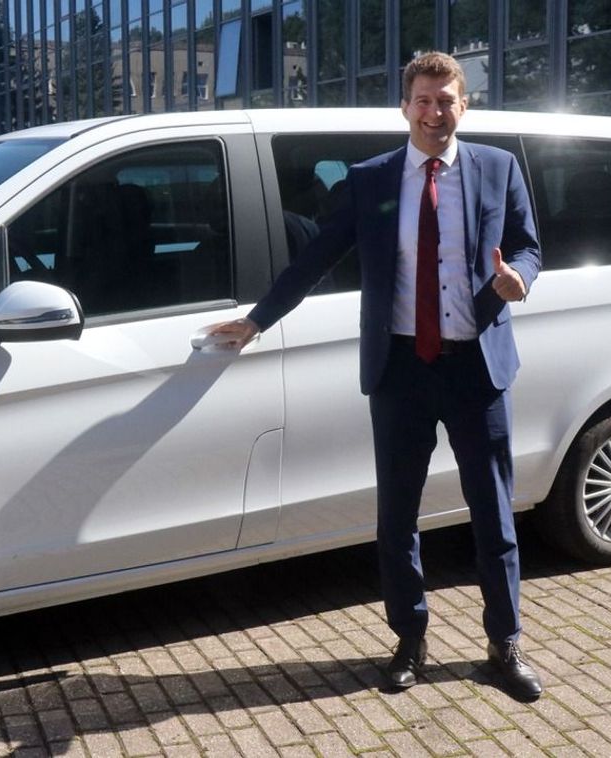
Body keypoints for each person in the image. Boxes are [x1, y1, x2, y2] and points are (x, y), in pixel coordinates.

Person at [206, 51, 544, 701]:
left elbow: (528, 245)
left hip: (477, 369)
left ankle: (504, 643)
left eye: (445, 100)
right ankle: (409, 639)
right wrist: (256, 321)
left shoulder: (497, 168)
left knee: (493, 515)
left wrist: (517, 279)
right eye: (423, 100)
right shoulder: (371, 180)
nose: (434, 112)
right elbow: (314, 258)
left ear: (463, 105)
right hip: (401, 370)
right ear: (405, 107)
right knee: (397, 516)